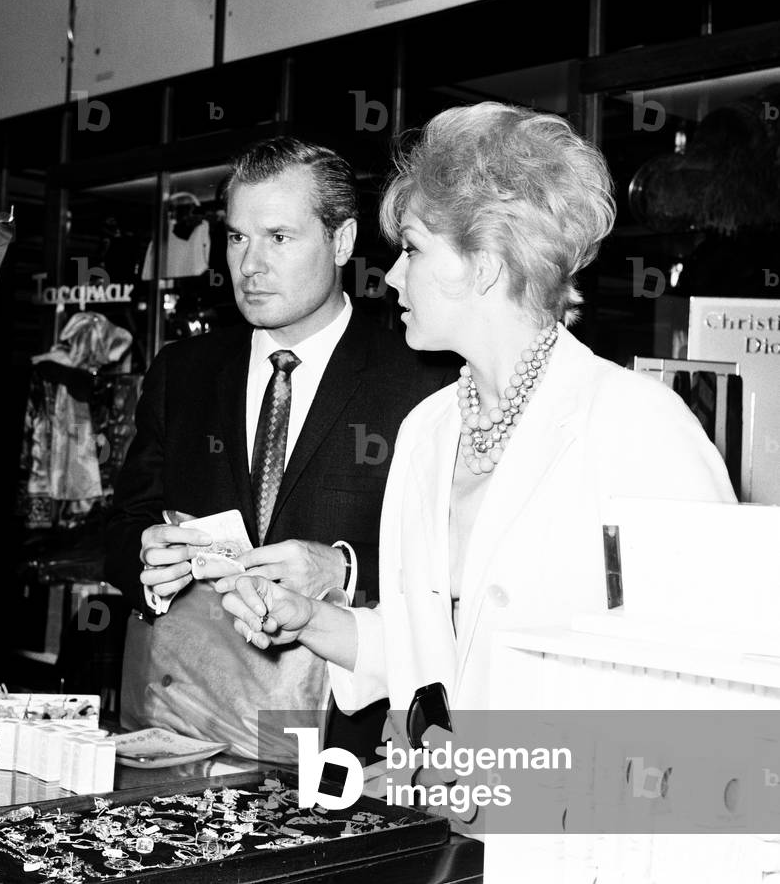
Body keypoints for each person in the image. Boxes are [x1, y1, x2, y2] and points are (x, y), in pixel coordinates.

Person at [219, 103, 736, 749]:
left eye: (412, 248)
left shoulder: (637, 425)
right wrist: (308, 621)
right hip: (449, 819)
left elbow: (719, 695)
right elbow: (425, 656)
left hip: (576, 829)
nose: (395, 275)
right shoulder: (426, 431)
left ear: (485, 264)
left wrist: (520, 786)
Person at [104, 136, 450, 761]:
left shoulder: (423, 380)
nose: (250, 265)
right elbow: (126, 525)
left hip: (351, 746)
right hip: (192, 731)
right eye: (238, 238)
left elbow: (453, 569)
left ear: (342, 241)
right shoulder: (184, 371)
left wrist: (344, 569)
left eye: (279, 238)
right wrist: (148, 566)